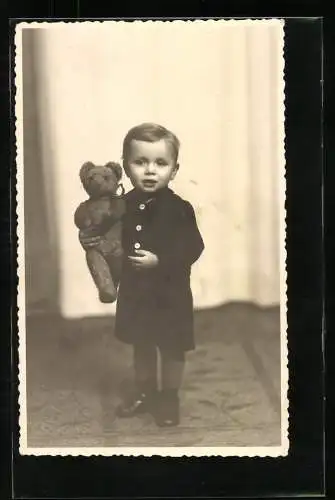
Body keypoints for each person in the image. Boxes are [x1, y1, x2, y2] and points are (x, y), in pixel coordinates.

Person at [81, 123, 204, 427]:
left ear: (174, 170)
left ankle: (169, 398)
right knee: (142, 344)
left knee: (172, 347)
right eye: (140, 162)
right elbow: (108, 238)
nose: (150, 171)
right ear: (124, 167)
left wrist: (160, 260)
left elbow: (193, 247)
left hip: (170, 294)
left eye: (161, 163)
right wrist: (91, 239)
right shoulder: (121, 206)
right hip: (137, 292)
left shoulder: (179, 209)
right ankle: (146, 392)